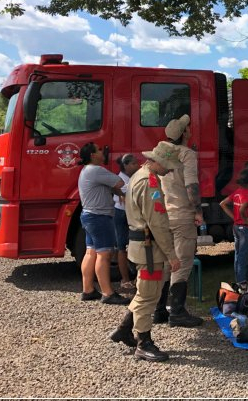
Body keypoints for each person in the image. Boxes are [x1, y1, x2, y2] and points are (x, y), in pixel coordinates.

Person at [108, 141, 182, 362]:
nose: (170, 169)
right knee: (148, 296)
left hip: (143, 247)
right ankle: (144, 343)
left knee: (145, 292)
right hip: (150, 251)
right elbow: (157, 223)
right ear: (157, 161)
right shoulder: (149, 183)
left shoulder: (140, 176)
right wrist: (172, 254)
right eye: (168, 165)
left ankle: (124, 329)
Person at [153, 114, 204, 328]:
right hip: (183, 215)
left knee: (166, 264)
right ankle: (177, 312)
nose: (190, 130)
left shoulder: (161, 151)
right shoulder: (187, 154)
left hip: (165, 215)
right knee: (182, 265)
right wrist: (198, 211)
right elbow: (192, 187)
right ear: (184, 133)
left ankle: (158, 310)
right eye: (188, 128)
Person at [77, 142, 129, 305]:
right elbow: (119, 182)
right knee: (104, 254)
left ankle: (88, 290)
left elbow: (111, 186)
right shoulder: (96, 170)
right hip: (100, 217)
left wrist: (115, 191)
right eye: (99, 150)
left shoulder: (86, 170)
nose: (103, 152)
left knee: (90, 252)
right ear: (93, 156)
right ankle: (108, 293)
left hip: (88, 215)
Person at [220, 168, 248, 283]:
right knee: (243, 257)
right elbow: (242, 208)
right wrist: (244, 219)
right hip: (245, 228)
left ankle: (238, 280)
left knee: (238, 255)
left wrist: (235, 218)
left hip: (236, 227)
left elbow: (223, 204)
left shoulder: (237, 192)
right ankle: (242, 283)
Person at [113, 154, 140, 291]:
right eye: (134, 163)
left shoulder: (131, 178)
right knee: (122, 246)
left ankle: (137, 277)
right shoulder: (121, 181)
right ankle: (125, 279)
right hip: (122, 214)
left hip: (129, 214)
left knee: (136, 244)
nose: (138, 165)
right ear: (126, 165)